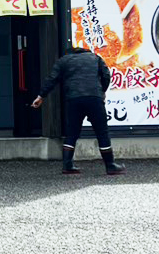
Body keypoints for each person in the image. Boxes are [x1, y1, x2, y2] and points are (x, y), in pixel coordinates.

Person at [32, 46, 124, 176]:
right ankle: (110, 166)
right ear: (86, 51)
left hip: (74, 99)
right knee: (102, 132)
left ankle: (67, 165)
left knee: (72, 132)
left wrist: (41, 96)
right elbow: (106, 75)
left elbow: (51, 79)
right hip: (94, 98)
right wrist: (102, 91)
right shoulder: (95, 58)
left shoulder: (64, 60)